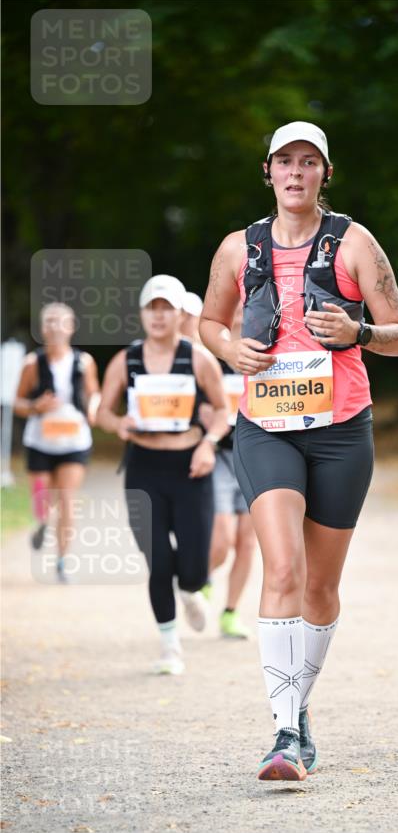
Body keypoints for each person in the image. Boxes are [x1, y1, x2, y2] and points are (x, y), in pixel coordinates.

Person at [200, 120, 398, 780]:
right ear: (267, 172)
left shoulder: (354, 243)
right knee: (283, 569)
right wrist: (228, 346)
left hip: (342, 428)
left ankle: (298, 708)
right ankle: (284, 732)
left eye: (308, 162)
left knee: (320, 587)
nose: (295, 173)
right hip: (264, 426)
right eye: (284, 162)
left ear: (324, 173)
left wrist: (359, 329)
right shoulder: (238, 249)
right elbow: (208, 320)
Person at [97, 275, 229, 675]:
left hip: (190, 467)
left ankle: (191, 590)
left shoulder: (198, 358)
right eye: (151, 308)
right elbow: (101, 411)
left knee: (191, 565)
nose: (158, 316)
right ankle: (170, 646)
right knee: (158, 559)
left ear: (178, 314)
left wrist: (208, 445)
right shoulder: (127, 360)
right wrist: (120, 425)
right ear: (142, 314)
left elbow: (223, 411)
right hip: (144, 468)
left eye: (166, 308)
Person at [13, 302, 100, 582]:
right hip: (40, 441)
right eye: (49, 321)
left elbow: (94, 393)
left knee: (66, 500)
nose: (55, 327)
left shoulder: (84, 362)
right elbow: (17, 403)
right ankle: (41, 523)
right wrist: (36, 406)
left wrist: (94, 409)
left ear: (72, 327)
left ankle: (62, 561)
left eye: (61, 321)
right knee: (41, 499)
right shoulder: (32, 363)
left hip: (74, 441)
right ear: (42, 329)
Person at [198, 303, 256, 640]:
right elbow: (200, 405)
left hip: (255, 459)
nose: (240, 314)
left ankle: (231, 613)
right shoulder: (212, 360)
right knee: (221, 540)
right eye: (234, 308)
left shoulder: (265, 349)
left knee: (247, 543)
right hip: (220, 458)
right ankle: (200, 581)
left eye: (246, 308)